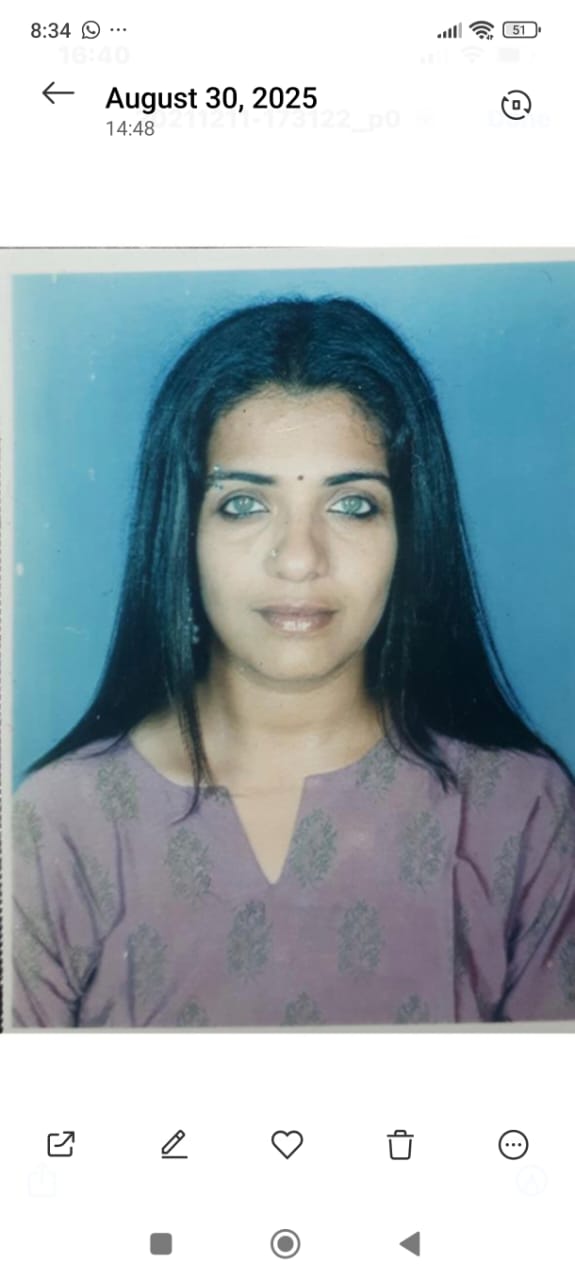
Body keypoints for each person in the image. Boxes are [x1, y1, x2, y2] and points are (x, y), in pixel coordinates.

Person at [11, 296, 575, 1029]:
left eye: (353, 505)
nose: (300, 559)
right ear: (180, 532)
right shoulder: (59, 824)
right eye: (244, 504)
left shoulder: (520, 813)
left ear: (412, 533)